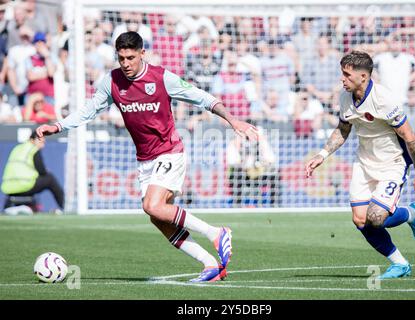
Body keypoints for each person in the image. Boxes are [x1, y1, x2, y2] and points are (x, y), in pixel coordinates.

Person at [35, 31, 258, 282]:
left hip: (170, 151)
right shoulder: (112, 82)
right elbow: (88, 111)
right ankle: (210, 265)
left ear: (143, 53)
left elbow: (203, 98)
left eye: (131, 57)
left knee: (151, 205)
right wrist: (58, 126)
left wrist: (233, 120)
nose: (126, 64)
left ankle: (216, 232)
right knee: (158, 217)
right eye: (121, 58)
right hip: (145, 160)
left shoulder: (162, 78)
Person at [305, 50, 415, 279]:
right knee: (360, 220)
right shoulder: (345, 97)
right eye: (341, 73)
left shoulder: (384, 99)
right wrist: (322, 154)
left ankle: (413, 214)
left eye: (346, 74)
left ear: (363, 76)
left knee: (376, 217)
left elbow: (409, 137)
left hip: (392, 163)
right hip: (364, 163)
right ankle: (400, 264)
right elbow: (343, 129)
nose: (342, 79)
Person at [1, 131, 65, 212]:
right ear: (32, 140)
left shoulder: (17, 148)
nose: (42, 145)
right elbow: (42, 171)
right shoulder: (33, 149)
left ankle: (20, 208)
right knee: (50, 178)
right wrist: (46, 170)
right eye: (41, 142)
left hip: (8, 188)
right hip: (25, 186)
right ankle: (64, 208)